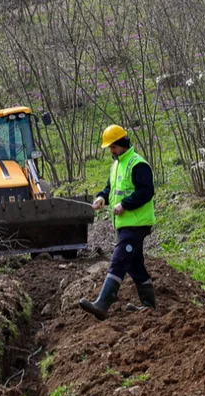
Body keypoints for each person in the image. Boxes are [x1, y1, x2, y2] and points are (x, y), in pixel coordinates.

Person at [78, 124, 157, 320]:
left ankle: (103, 304)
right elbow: (110, 189)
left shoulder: (137, 164)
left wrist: (125, 205)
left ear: (122, 143)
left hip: (136, 223)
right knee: (134, 265)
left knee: (119, 260)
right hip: (124, 224)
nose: (111, 151)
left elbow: (147, 192)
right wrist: (101, 198)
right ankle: (149, 306)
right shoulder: (116, 165)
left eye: (113, 147)